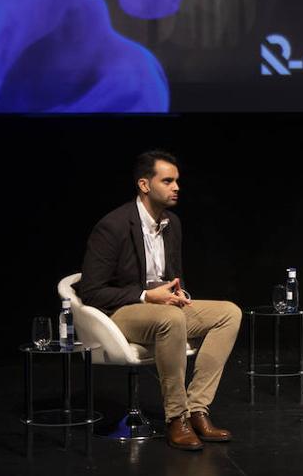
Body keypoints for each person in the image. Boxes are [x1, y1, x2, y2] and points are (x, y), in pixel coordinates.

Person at [76, 151, 242, 450]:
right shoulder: (113, 226)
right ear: (144, 184)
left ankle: (196, 410)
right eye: (167, 181)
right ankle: (175, 417)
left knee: (229, 313)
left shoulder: (172, 223)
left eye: (177, 180)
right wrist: (145, 296)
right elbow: (90, 291)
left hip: (162, 309)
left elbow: (173, 277)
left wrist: (178, 295)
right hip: (121, 311)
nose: (176, 187)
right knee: (171, 318)